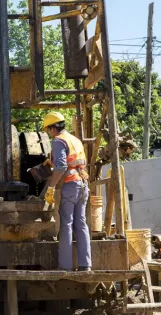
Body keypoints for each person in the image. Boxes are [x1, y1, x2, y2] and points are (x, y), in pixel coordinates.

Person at [42, 112, 92, 271]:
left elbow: (62, 167)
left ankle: (65, 266)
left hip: (70, 186)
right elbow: (75, 161)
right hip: (83, 184)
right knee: (81, 224)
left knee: (66, 225)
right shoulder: (74, 139)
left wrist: (51, 187)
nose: (49, 134)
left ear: (52, 128)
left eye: (48, 130)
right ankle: (85, 265)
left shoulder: (58, 141)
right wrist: (52, 161)